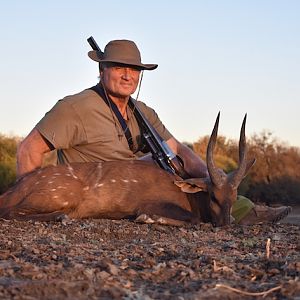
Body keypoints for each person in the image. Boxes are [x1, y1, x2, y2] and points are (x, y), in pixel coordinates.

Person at [17, 39, 291, 225]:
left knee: (211, 191)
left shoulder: (143, 111)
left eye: (134, 70)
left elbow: (179, 150)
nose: (128, 75)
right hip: (95, 191)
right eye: (119, 67)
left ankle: (249, 210)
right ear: (101, 70)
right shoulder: (74, 107)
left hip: (139, 188)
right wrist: (31, 193)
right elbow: (28, 150)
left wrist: (211, 178)